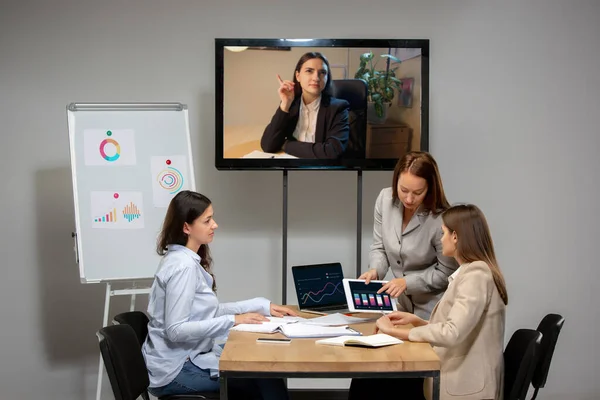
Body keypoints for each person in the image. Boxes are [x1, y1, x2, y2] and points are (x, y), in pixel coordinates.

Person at [141, 190, 296, 399]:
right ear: (187, 227)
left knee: (264, 372)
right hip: (176, 371)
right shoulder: (183, 267)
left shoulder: (184, 260)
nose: (215, 225)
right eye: (207, 221)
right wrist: (232, 320)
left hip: (187, 358)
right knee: (263, 377)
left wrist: (260, 305)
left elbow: (205, 312)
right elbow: (176, 330)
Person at [349, 204, 509, 400]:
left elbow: (452, 333)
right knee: (370, 382)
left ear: (456, 237)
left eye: (443, 234)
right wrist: (416, 320)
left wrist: (395, 332)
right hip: (457, 377)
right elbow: (459, 326)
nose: (441, 240)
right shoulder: (472, 272)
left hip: (463, 386)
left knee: (369, 383)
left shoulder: (476, 274)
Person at [359, 151, 459, 320]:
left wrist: (407, 282)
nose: (409, 199)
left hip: (434, 308)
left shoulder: (441, 218)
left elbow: (446, 272)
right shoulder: (385, 200)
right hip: (402, 304)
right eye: (403, 190)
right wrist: (375, 270)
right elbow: (379, 247)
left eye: (417, 192)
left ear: (429, 189)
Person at [260, 51, 350, 159]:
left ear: (327, 78)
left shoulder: (338, 108)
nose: (316, 78)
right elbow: (268, 145)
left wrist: (286, 144)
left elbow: (331, 152)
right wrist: (284, 105)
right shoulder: (291, 104)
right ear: (298, 76)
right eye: (309, 71)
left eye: (322, 72)